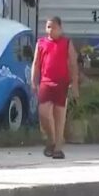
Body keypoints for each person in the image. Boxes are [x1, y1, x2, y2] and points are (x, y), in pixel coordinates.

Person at [31, 16, 78, 160]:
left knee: (59, 115)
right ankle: (51, 139)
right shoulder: (41, 43)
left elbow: (73, 64)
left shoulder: (66, 43)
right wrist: (33, 80)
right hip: (46, 82)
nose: (50, 30)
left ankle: (58, 147)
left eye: (54, 27)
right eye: (48, 27)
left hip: (62, 83)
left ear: (60, 28)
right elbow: (36, 63)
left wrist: (74, 84)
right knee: (44, 113)